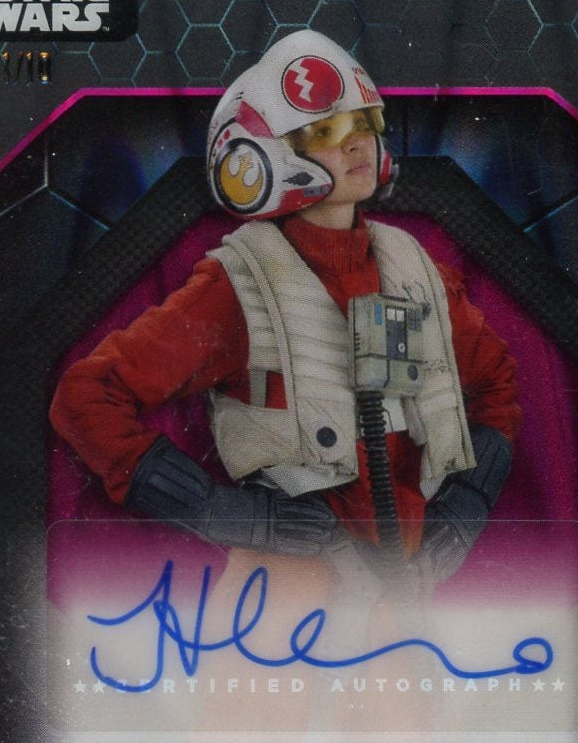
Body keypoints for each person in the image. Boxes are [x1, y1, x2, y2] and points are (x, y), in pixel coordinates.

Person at [49, 30, 520, 587]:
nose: (356, 144)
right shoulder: (240, 287)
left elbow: (497, 385)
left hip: (407, 583)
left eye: (363, 122)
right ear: (262, 155)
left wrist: (464, 508)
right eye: (325, 131)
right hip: (288, 584)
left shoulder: (416, 272)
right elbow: (86, 396)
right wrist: (226, 513)